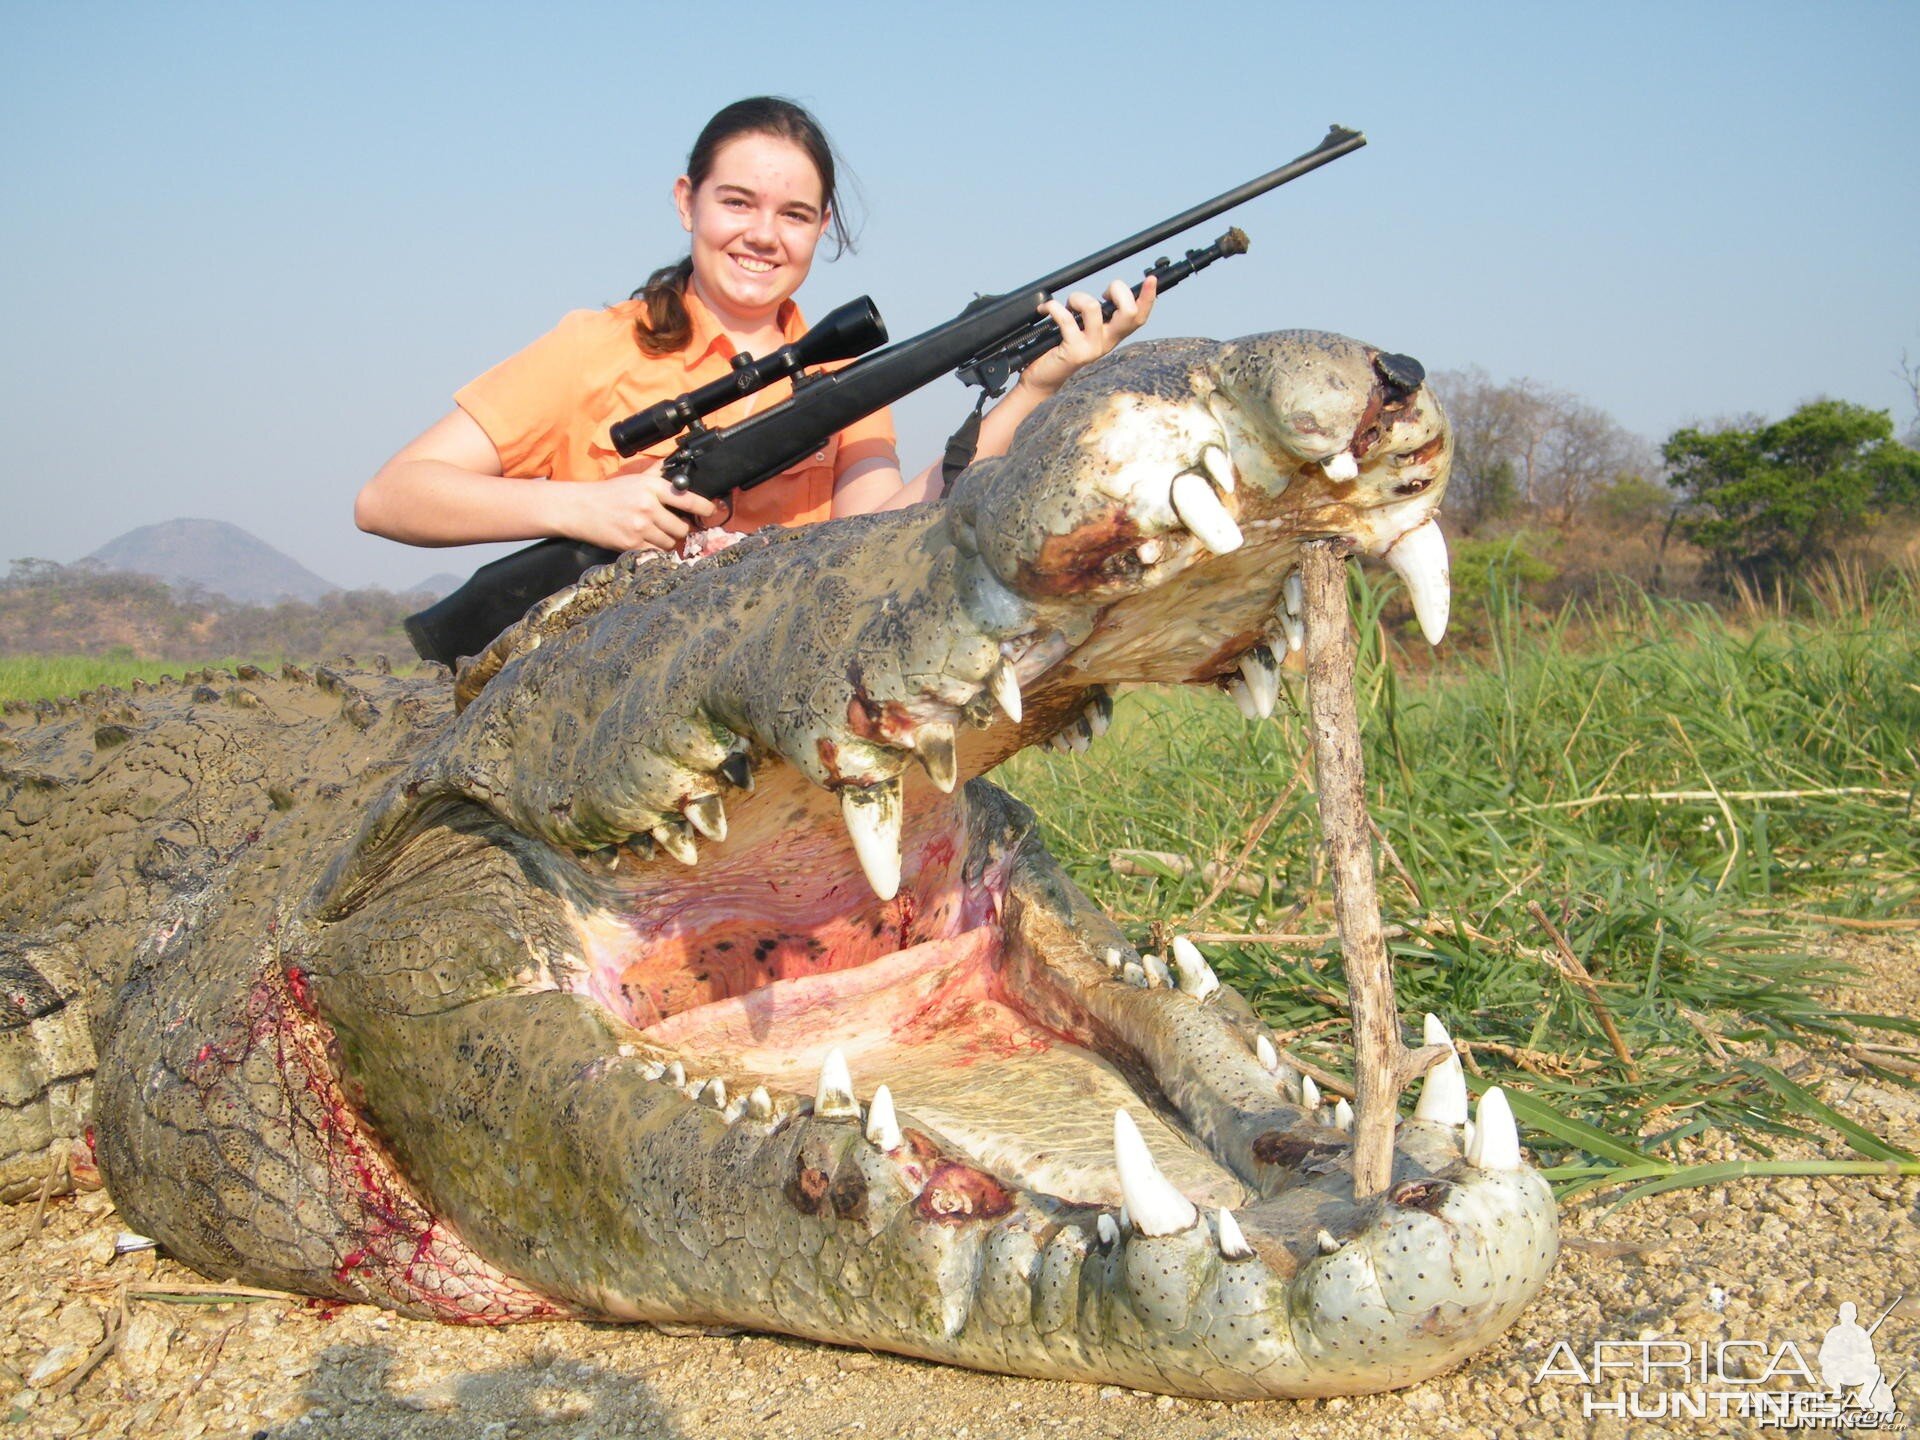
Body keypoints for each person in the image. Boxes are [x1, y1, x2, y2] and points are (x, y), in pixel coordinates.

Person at [355, 96, 1155, 557]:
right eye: (737, 202)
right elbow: (390, 497)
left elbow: (875, 538)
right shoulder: (595, 347)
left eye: (795, 214)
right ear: (686, 201)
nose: (763, 236)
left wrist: (1033, 392)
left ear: (822, 227)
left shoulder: (845, 385)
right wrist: (581, 509)